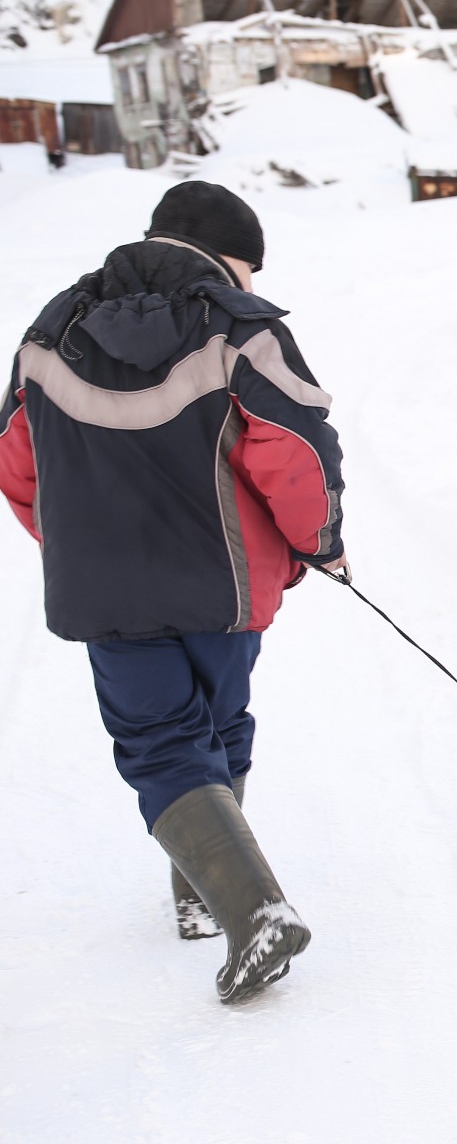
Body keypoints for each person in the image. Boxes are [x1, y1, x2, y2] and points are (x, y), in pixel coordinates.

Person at [0, 180, 346, 1004]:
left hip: (109, 595)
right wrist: (319, 543)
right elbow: (296, 448)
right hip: (224, 587)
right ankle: (220, 900)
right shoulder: (239, 327)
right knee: (220, 723)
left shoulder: (55, 325)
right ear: (225, 256)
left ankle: (233, 902)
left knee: (160, 739)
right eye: (247, 268)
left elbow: (15, 455)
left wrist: (78, 544)